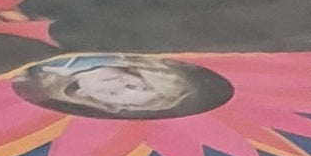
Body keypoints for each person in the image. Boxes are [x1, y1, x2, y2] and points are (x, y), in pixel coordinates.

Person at [12, 54, 233, 119]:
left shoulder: (33, 78)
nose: (122, 84)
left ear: (83, 94)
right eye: (143, 87)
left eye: (113, 94)